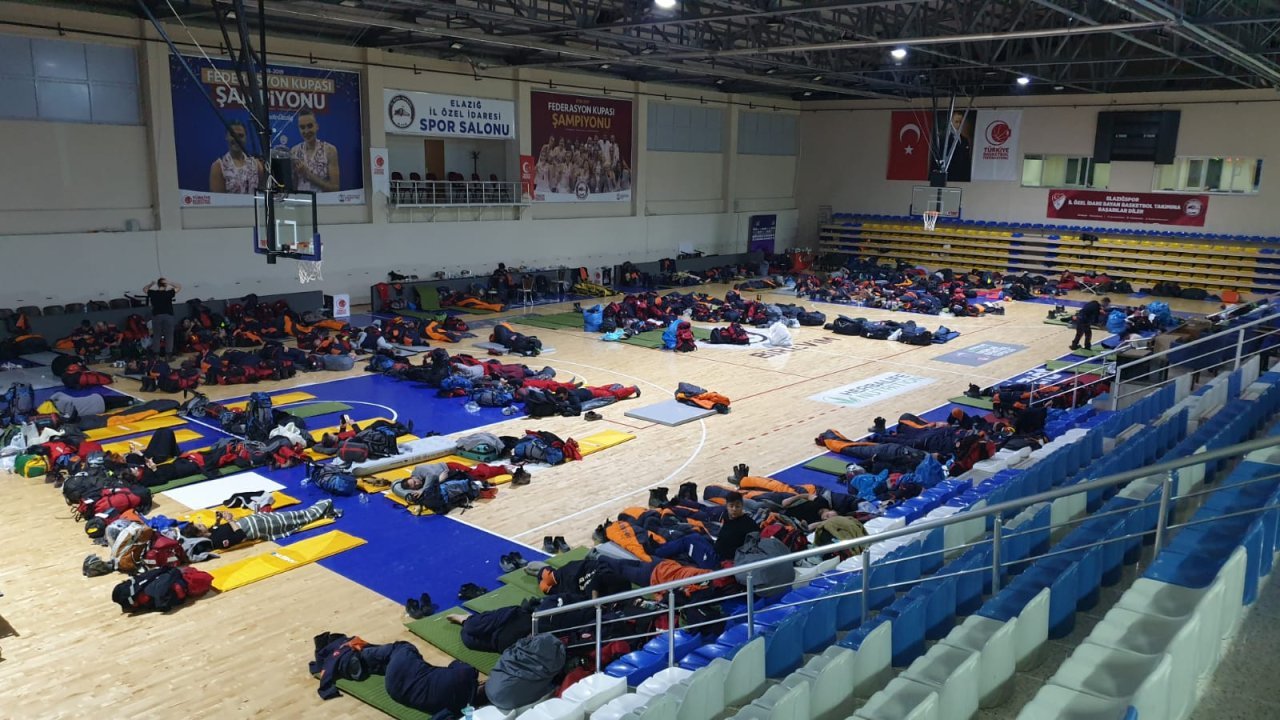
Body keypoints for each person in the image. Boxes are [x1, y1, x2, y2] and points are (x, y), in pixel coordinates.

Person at [183, 498, 341, 548]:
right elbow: (239, 536)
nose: (202, 524)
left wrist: (220, 518)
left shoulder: (212, 532)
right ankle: (324, 505)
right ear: (200, 533)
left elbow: (217, 527)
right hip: (258, 526)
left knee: (291, 515)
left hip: (254, 520)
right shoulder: (216, 540)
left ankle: (323, 508)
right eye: (200, 526)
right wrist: (230, 520)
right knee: (297, 518)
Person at [290, 110, 340, 192]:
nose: (306, 131)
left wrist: (308, 175)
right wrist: (293, 174)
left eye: (310, 126)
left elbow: (335, 188)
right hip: (301, 200)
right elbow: (293, 188)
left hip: (323, 200)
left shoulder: (329, 150)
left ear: (317, 126)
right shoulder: (294, 151)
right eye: (302, 127)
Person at [208, 120, 263, 194]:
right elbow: (217, 199)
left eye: (241, 136)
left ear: (246, 138)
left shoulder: (257, 165)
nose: (237, 139)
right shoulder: (219, 167)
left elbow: (262, 194)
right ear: (226, 137)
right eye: (232, 135)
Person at [143, 277, 181, 361]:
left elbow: (144, 289)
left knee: (156, 336)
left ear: (158, 284)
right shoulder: (169, 293)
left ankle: (156, 355)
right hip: (168, 316)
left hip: (156, 316)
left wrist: (151, 284)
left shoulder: (153, 293)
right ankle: (168, 355)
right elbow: (179, 287)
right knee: (169, 336)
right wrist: (170, 282)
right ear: (165, 285)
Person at [714, 492, 759, 561]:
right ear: (727, 506)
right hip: (716, 551)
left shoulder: (750, 524)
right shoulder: (726, 517)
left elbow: (752, 546)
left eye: (737, 506)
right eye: (731, 506)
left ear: (742, 506)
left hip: (730, 559)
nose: (734, 509)